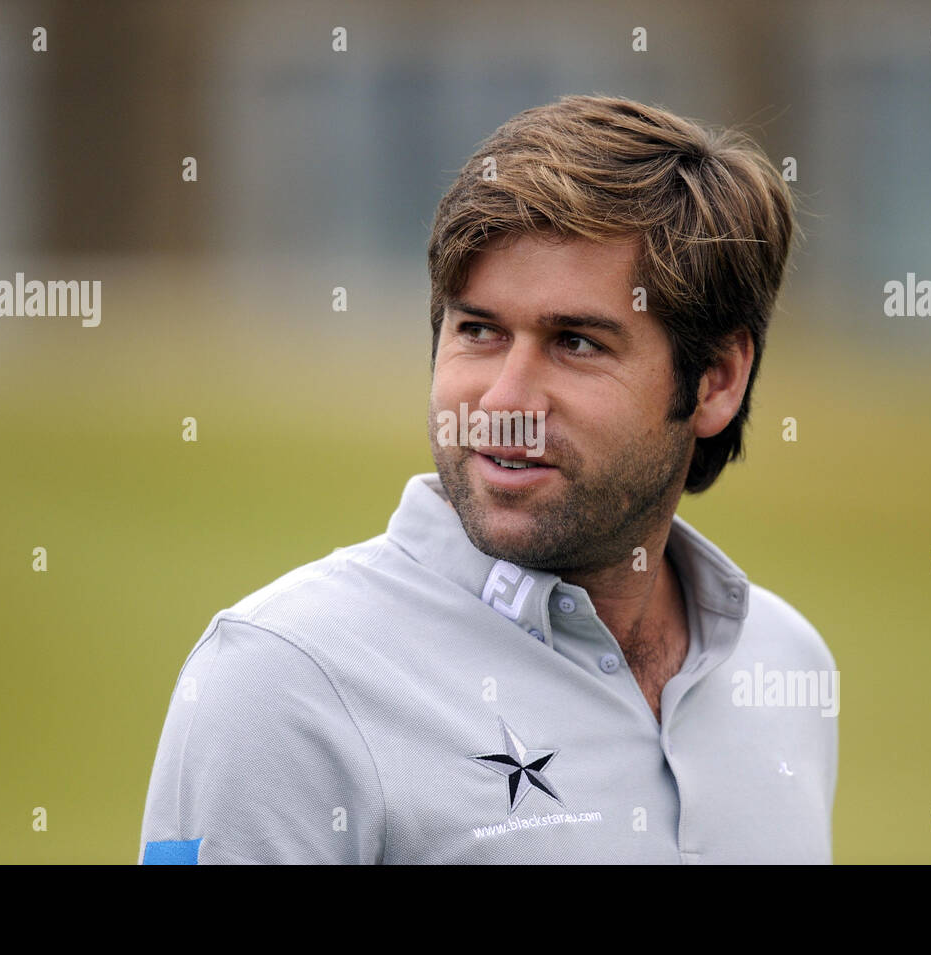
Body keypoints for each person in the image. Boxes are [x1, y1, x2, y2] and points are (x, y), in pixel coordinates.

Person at [139, 93, 837, 864]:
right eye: (478, 330)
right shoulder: (280, 680)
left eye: (575, 342)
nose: (504, 401)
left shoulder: (784, 664)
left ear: (716, 379)